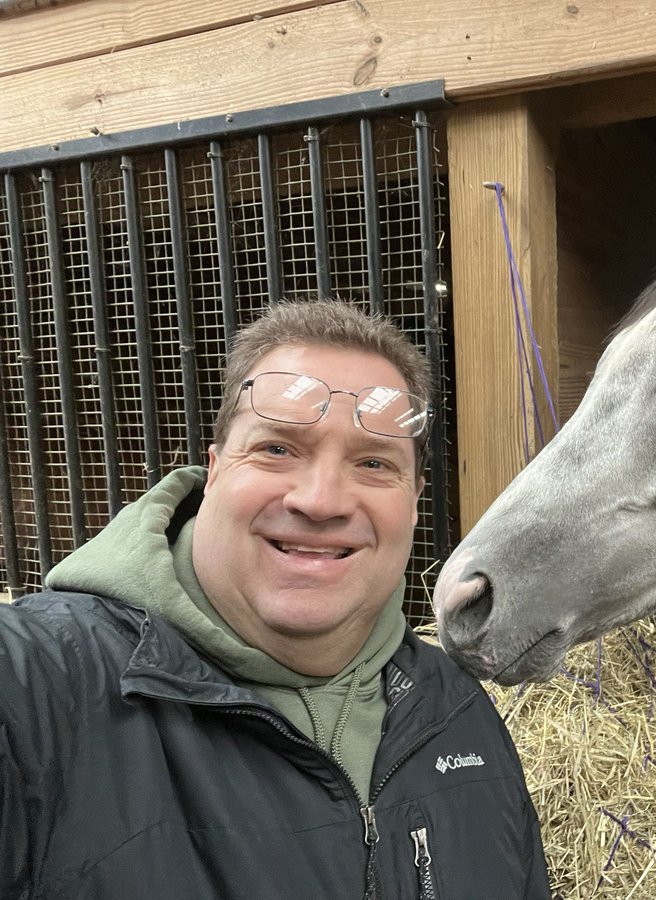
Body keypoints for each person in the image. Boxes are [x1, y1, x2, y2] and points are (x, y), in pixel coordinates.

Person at [0, 298, 551, 899]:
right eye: (278, 449)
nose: (321, 500)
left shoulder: (455, 711)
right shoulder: (40, 691)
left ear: (416, 499)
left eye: (373, 462)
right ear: (213, 470)